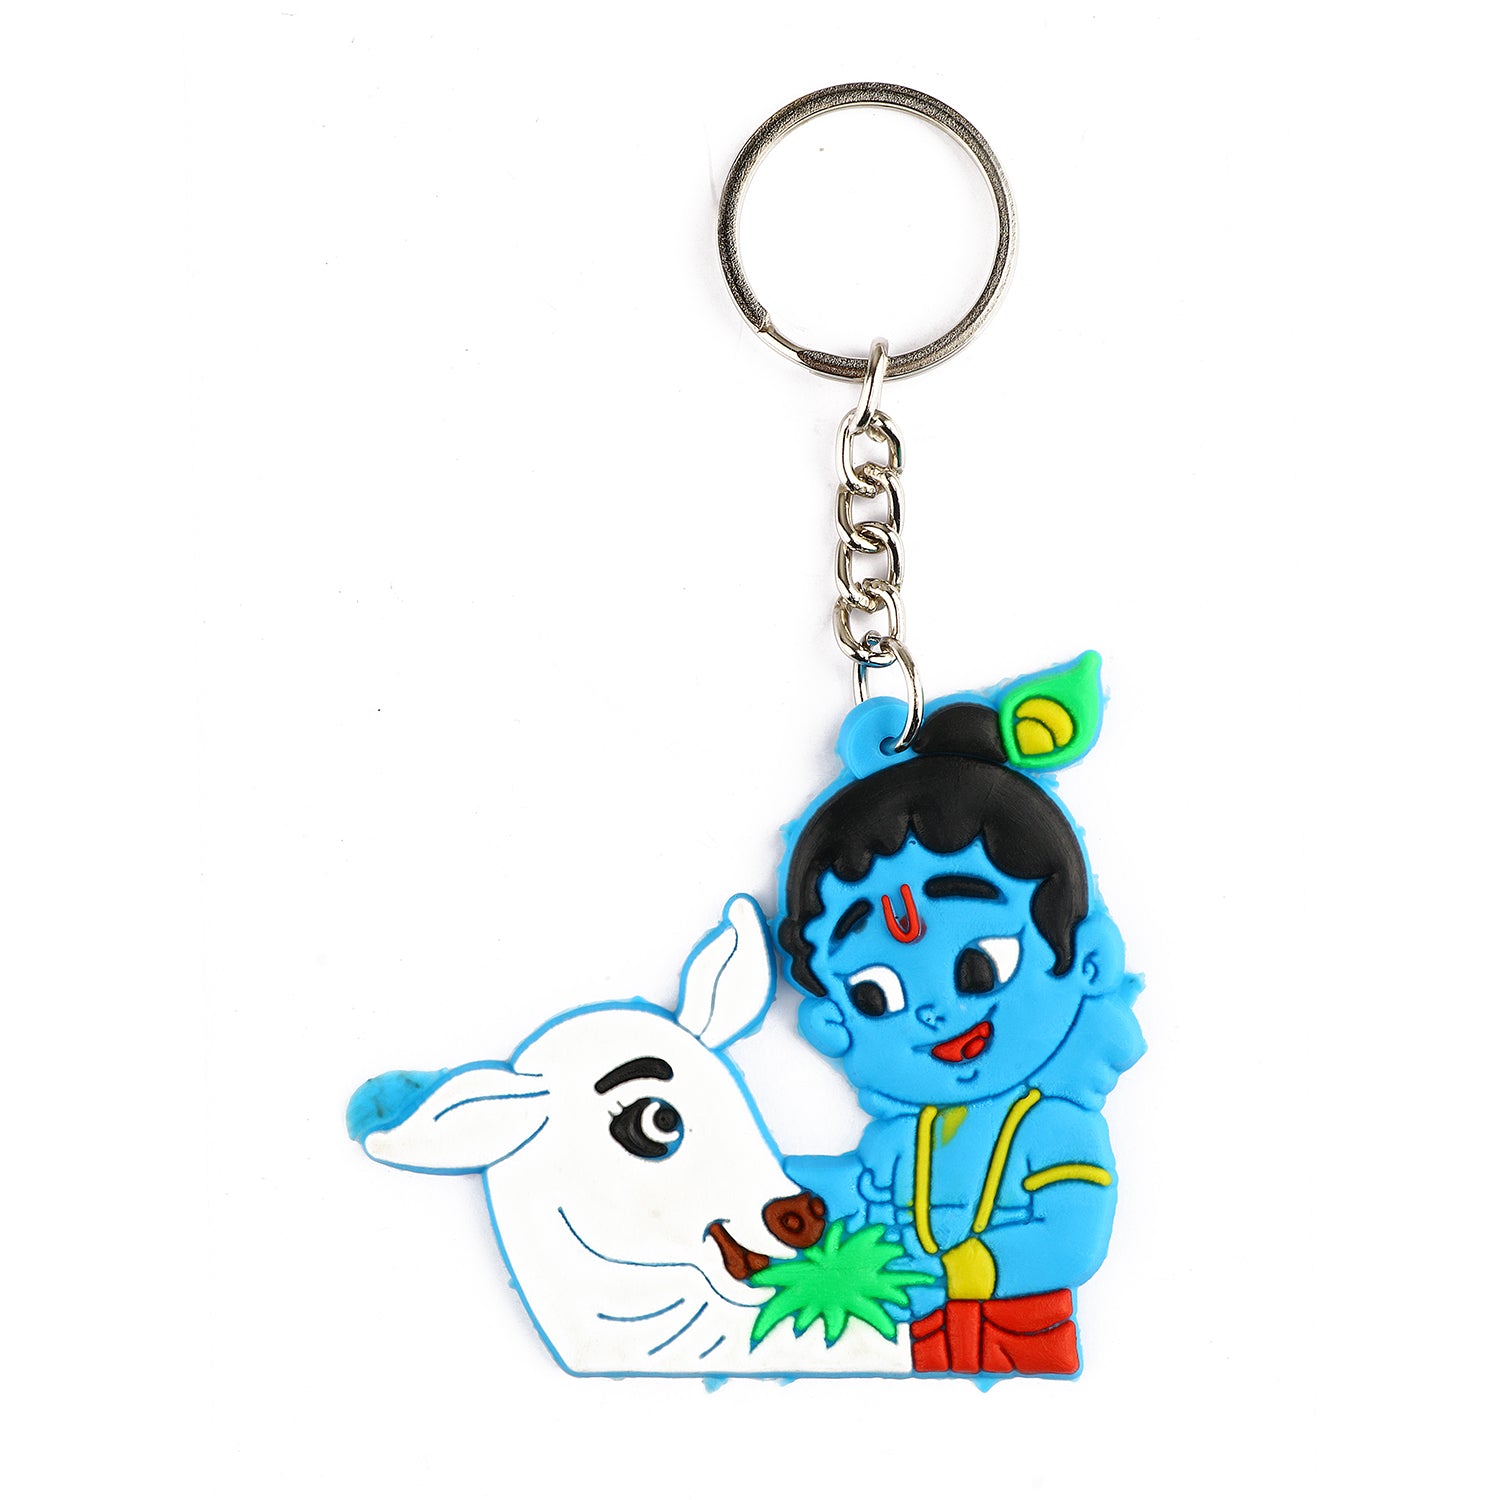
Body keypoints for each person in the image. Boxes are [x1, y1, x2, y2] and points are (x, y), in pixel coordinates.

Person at [777, 663, 1144, 1376]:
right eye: (875, 994)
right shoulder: (903, 1143)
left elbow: (1070, 1239)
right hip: (909, 1351)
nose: (936, 1011)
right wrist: (769, 1188)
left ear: (1090, 959)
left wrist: (951, 1273)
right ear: (833, 1021)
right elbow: (855, 1195)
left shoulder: (1054, 1128)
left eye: (979, 966)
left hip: (1023, 1342)